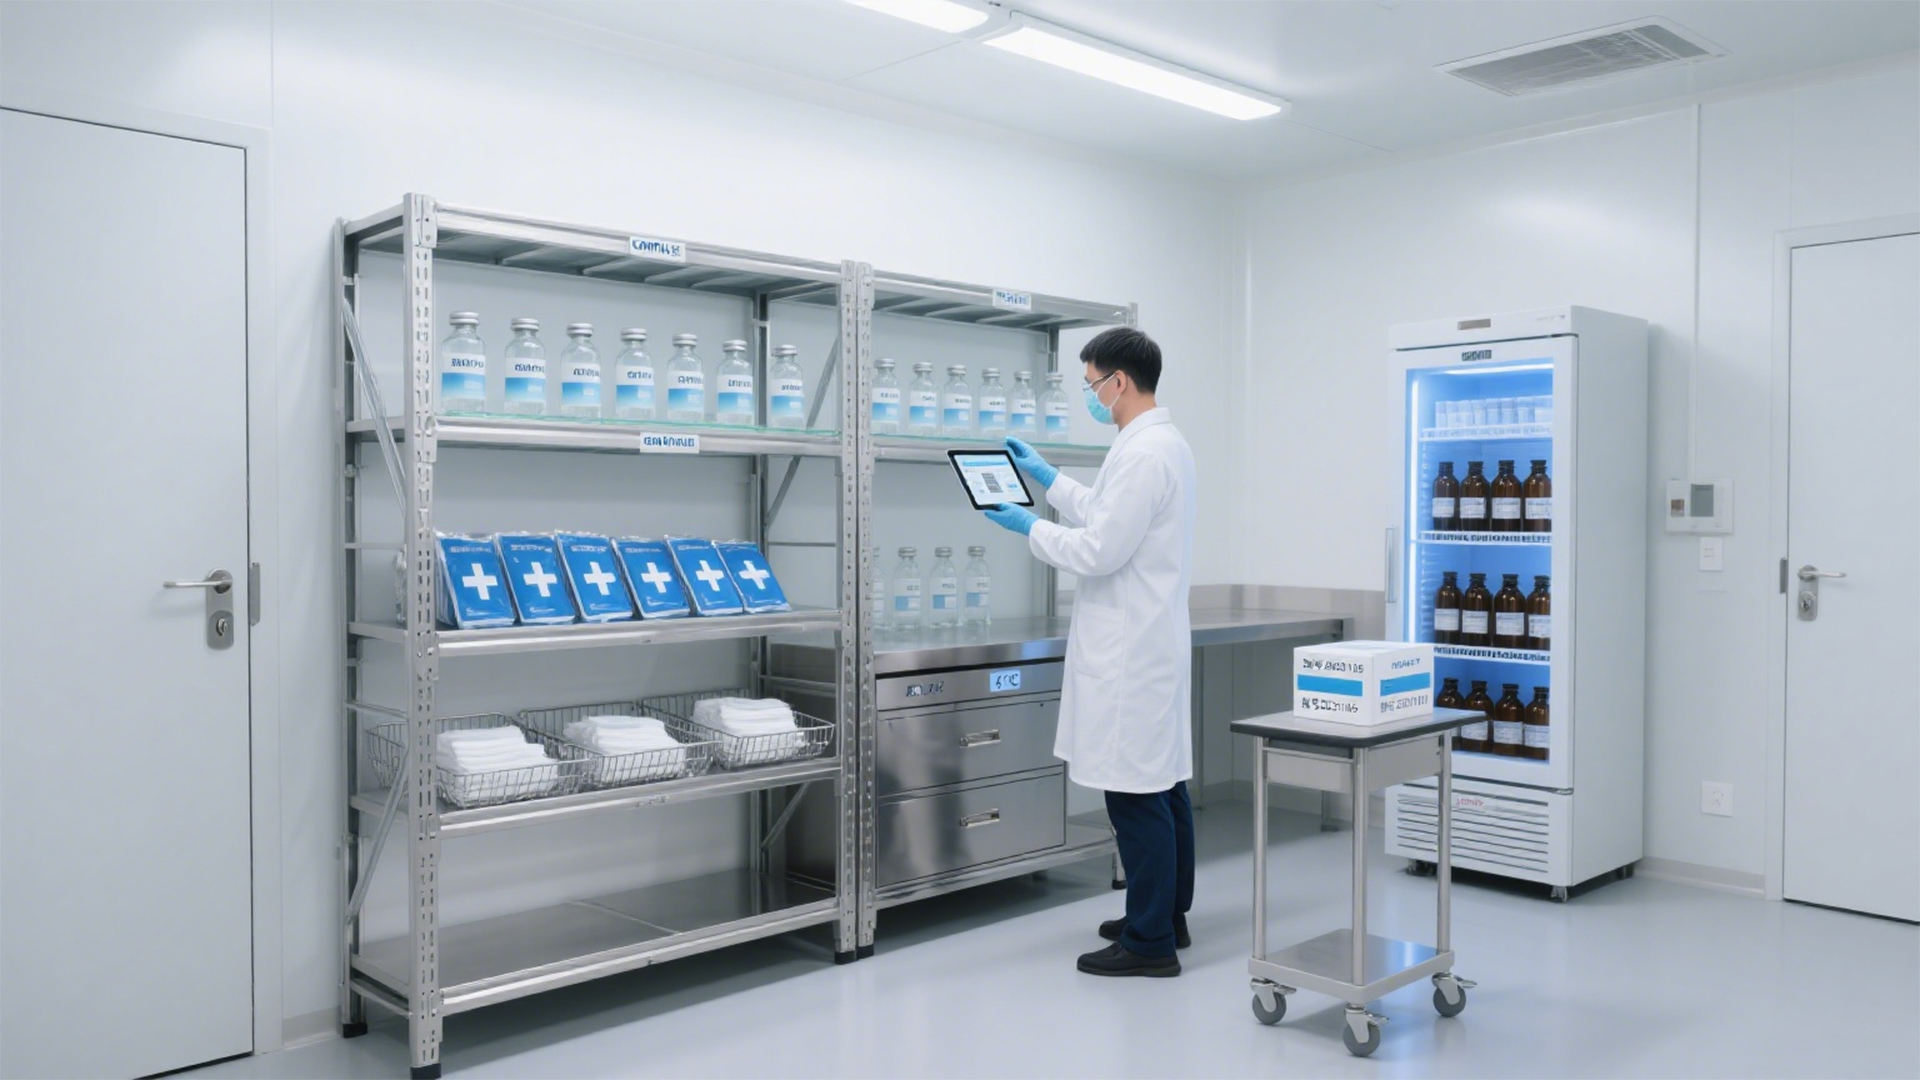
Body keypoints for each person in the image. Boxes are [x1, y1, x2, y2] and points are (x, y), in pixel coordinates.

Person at [981, 326, 1197, 978]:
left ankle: (1149, 943)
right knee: (1164, 787)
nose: (1090, 396)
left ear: (1118, 382)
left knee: (1135, 796)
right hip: (1149, 643)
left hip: (1133, 652)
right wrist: (1049, 480)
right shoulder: (1159, 443)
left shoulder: (1145, 454)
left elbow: (1100, 548)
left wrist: (1029, 526)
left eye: (1091, 384)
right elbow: (1108, 512)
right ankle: (1165, 915)